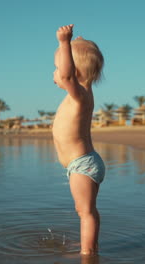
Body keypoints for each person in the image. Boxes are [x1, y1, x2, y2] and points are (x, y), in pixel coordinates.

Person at [52, 24, 105, 256]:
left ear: (75, 72)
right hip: (80, 165)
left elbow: (66, 75)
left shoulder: (80, 95)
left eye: (56, 68)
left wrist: (64, 43)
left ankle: (88, 252)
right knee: (84, 209)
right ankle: (89, 244)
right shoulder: (78, 96)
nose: (55, 74)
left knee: (86, 211)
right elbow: (67, 74)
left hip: (83, 165)